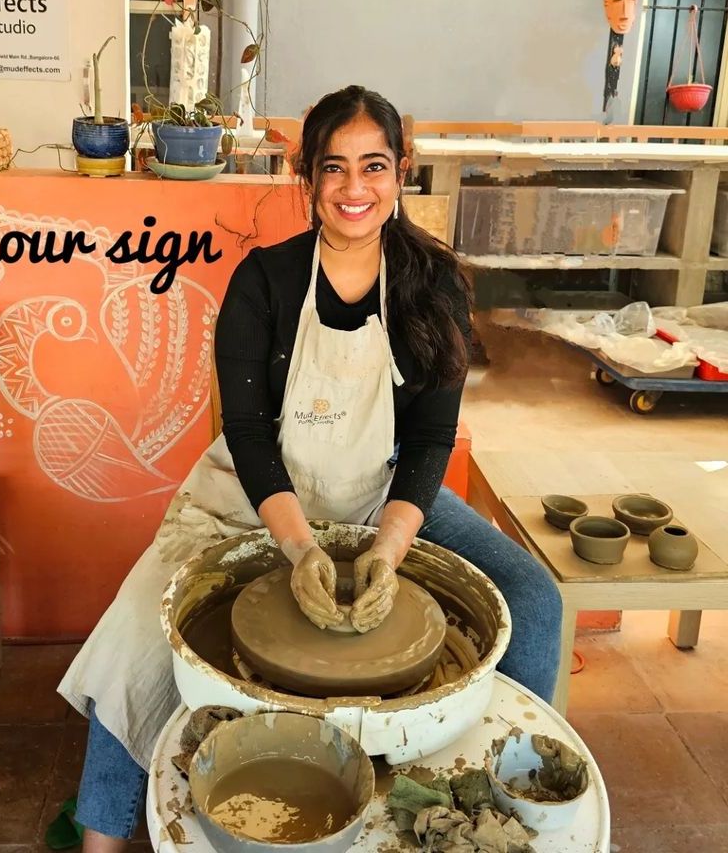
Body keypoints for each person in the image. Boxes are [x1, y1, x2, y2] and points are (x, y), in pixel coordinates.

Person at [58, 85, 563, 851]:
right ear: (310, 177)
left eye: (373, 166)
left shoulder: (434, 284)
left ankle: (502, 793)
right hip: (251, 496)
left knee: (533, 598)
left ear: (401, 171)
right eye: (334, 167)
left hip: (380, 493)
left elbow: (431, 439)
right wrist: (298, 548)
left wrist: (388, 548)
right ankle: (100, 836)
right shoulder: (265, 280)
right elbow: (248, 434)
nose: (354, 188)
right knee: (134, 638)